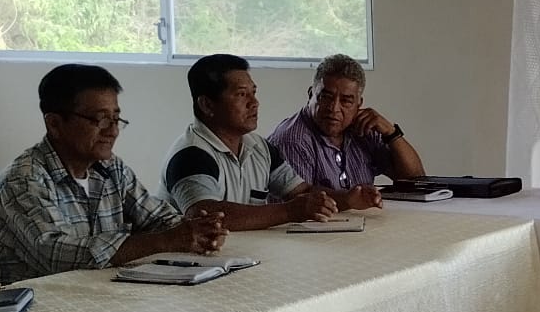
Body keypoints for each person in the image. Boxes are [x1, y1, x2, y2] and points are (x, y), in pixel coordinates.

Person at [0, 63, 226, 282]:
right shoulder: (23, 180)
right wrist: (165, 240)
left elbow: (158, 219)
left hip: (103, 294)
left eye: (116, 118)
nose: (113, 130)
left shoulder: (111, 168)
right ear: (55, 124)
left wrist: (199, 230)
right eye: (101, 119)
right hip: (42, 303)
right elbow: (56, 255)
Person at [163, 54, 340, 228]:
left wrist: (348, 198)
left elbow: (301, 192)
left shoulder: (259, 147)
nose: (254, 103)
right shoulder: (190, 155)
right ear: (207, 105)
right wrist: (289, 211)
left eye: (253, 93)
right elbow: (206, 215)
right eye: (241, 94)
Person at [268, 53, 424, 206]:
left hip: (363, 221)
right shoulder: (292, 141)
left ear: (359, 104)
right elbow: (300, 206)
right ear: (311, 95)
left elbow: (415, 182)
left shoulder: (363, 129)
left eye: (346, 101)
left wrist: (391, 133)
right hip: (322, 223)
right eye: (326, 97)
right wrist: (349, 201)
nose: (334, 108)